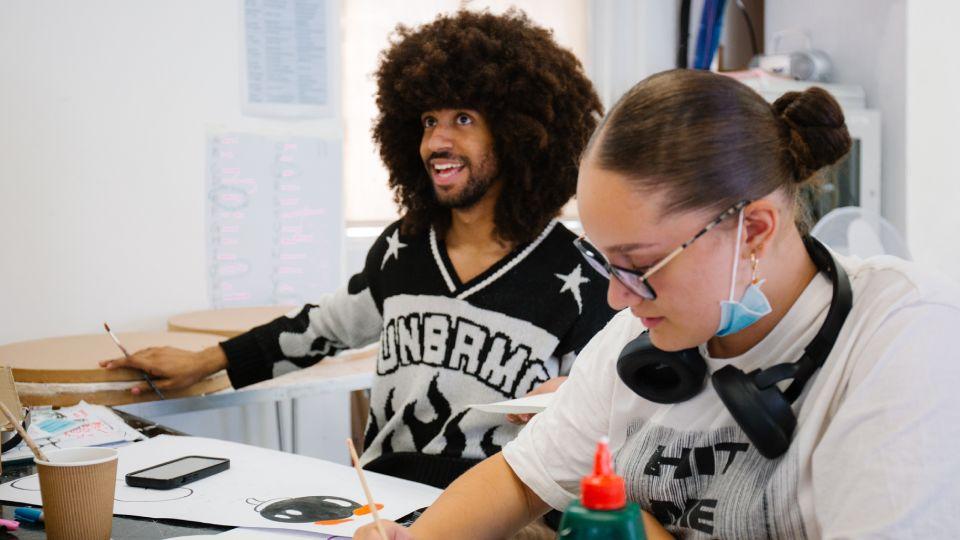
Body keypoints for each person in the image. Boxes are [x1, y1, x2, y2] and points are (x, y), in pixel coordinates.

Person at [355, 68, 960, 539]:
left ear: (753, 230)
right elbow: (518, 479)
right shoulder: (634, 343)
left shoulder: (902, 337)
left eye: (641, 266)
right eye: (605, 263)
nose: (618, 297)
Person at [101, 9, 615, 489]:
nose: (436, 142)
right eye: (428, 121)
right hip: (383, 495)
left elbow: (598, 417)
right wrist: (203, 361)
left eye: (463, 119)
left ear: (519, 133)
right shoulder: (404, 247)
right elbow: (320, 329)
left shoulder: (578, 275)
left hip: (496, 508)